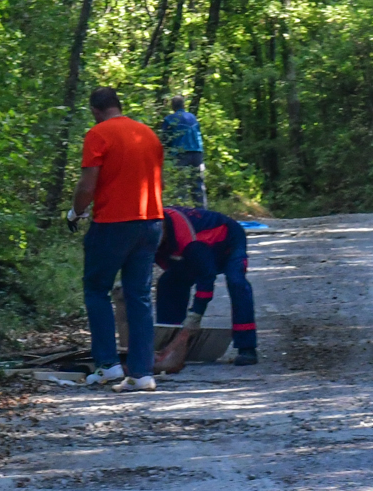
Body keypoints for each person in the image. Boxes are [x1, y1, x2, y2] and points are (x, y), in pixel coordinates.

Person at [69, 87, 165, 391]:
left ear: (95, 110)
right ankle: (141, 373)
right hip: (151, 221)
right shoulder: (147, 134)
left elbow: (87, 185)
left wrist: (75, 213)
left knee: (97, 289)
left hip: (113, 223)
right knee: (138, 295)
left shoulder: (98, 134)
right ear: (118, 105)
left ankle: (108, 365)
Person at [152, 205, 259, 367]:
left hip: (229, 240)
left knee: (236, 282)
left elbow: (206, 278)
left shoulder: (189, 240)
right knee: (168, 283)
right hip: (196, 251)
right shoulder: (145, 231)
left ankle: (247, 348)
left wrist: (195, 315)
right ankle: (170, 342)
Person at [160, 94, 207, 208]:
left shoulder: (169, 119)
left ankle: (183, 213)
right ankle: (202, 213)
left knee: (181, 185)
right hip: (197, 153)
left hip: (181, 154)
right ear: (184, 105)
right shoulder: (192, 117)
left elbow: (165, 139)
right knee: (198, 184)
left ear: (172, 106)